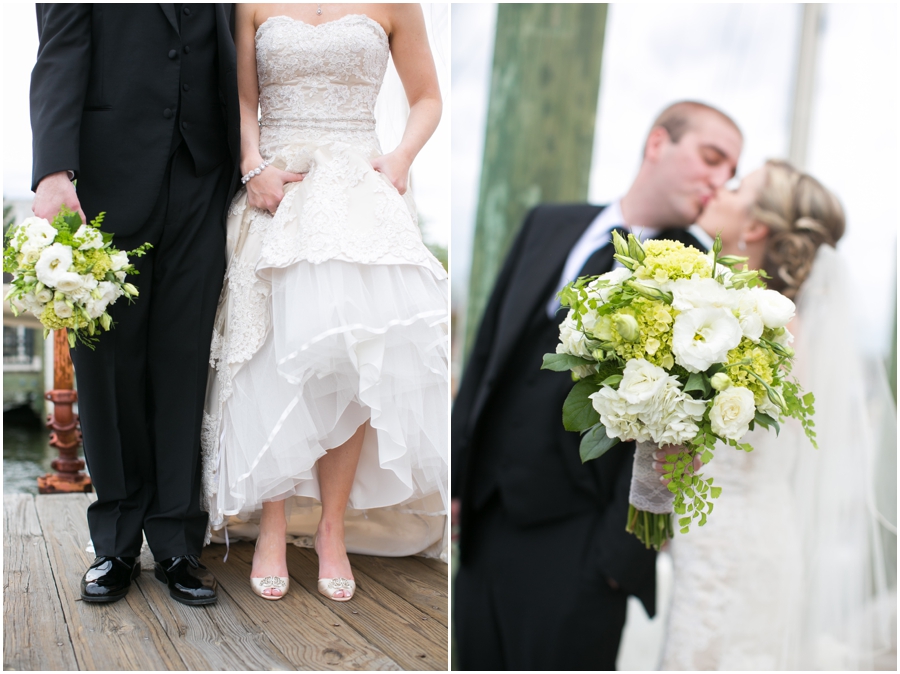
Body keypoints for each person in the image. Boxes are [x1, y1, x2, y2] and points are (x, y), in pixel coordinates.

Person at [452, 101, 743, 670]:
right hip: (484, 523)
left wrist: (617, 565)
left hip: (581, 549)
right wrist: (459, 482)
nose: (719, 180)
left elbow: (682, 437)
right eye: (712, 158)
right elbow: (490, 352)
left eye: (730, 173)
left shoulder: (704, 280)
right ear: (658, 143)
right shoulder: (549, 222)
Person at [201, 3, 449, 601]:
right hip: (277, 192)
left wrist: (400, 159)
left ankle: (333, 531)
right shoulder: (252, 4)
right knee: (273, 353)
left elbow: (427, 98)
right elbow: (241, 101)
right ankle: (273, 528)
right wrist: (252, 166)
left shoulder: (395, 4)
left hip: (359, 194)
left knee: (352, 357)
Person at [29, 4, 239, 606]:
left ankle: (176, 541)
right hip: (106, 173)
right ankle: (116, 543)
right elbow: (59, 50)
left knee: (184, 358)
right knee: (108, 364)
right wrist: (51, 171)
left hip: (204, 174)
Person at [660, 160, 897, 670]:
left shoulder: (775, 333)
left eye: (738, 185)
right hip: (715, 534)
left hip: (735, 546)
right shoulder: (732, 312)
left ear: (754, 227)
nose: (720, 187)